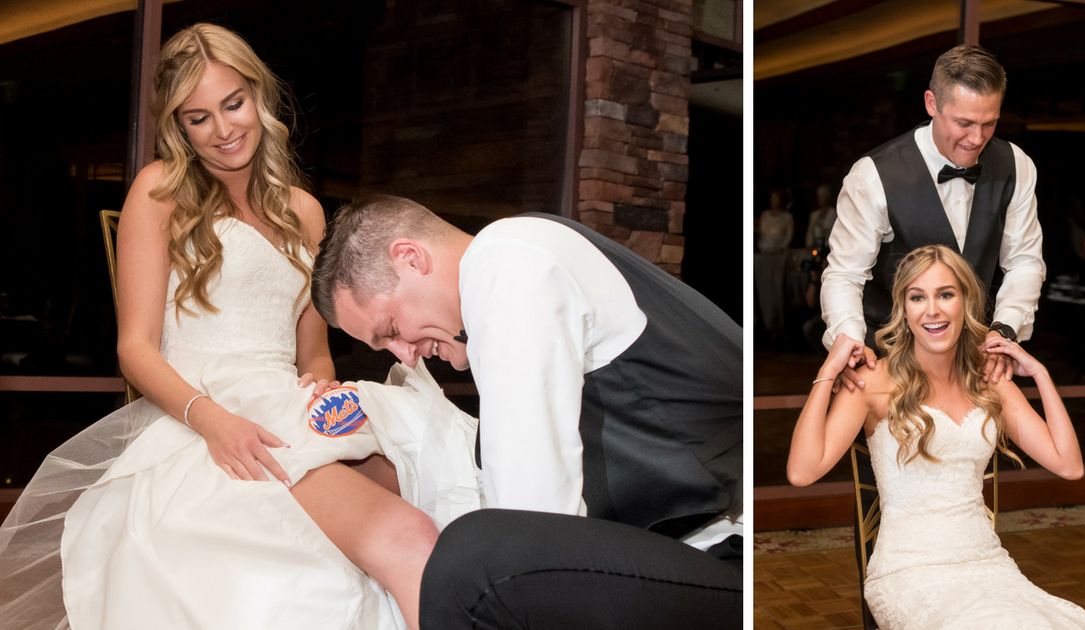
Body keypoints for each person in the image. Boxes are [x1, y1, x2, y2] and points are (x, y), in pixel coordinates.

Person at [0, 24, 479, 630]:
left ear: (258, 96)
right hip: (201, 415)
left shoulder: (303, 210)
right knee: (353, 556)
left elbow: (314, 354)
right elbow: (135, 350)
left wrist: (323, 391)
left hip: (288, 407)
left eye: (233, 104)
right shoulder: (159, 192)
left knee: (435, 500)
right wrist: (216, 424)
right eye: (198, 117)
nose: (224, 131)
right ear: (177, 126)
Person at [310, 195, 744, 629]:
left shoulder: (507, 262)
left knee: (477, 561)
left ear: (410, 257)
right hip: (683, 550)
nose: (404, 356)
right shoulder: (521, 250)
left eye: (390, 330)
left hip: (726, 548)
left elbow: (533, 522)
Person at [788, 245, 1085, 629]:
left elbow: (1069, 466)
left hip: (987, 566)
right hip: (908, 571)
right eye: (917, 297)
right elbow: (802, 472)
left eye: (945, 294)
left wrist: (1040, 375)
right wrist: (828, 371)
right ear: (903, 310)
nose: (932, 310)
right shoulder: (872, 382)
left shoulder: (991, 382)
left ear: (965, 303)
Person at [820, 44, 1046, 392]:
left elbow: (1025, 262)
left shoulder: (1017, 165)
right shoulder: (873, 175)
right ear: (931, 104)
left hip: (973, 363)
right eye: (964, 123)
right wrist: (849, 342)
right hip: (887, 362)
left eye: (990, 123)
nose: (977, 138)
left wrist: (1004, 330)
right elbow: (845, 275)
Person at [756, 186, 795, 339]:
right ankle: (767, 324)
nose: (773, 201)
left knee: (778, 290)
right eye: (771, 198)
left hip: (779, 258)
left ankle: (780, 324)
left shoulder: (787, 217)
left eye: (776, 198)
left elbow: (788, 238)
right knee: (764, 291)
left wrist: (778, 249)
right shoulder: (764, 215)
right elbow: (761, 235)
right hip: (763, 257)